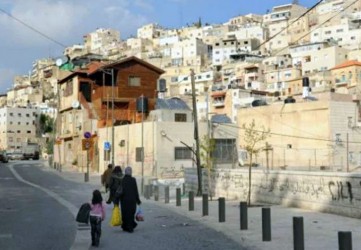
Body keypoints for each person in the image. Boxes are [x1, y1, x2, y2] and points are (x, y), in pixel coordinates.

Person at [120, 166, 141, 233]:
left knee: (125, 213)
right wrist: (138, 200)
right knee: (131, 213)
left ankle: (125, 226)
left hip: (124, 200)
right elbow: (136, 190)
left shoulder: (122, 180)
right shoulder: (133, 180)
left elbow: (120, 191)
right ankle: (130, 227)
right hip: (132, 200)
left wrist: (117, 200)